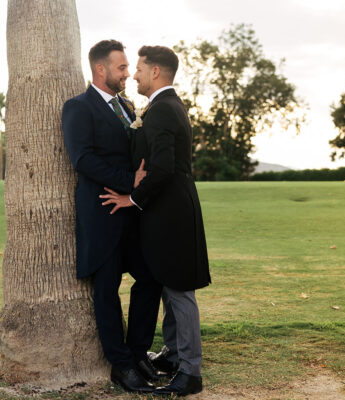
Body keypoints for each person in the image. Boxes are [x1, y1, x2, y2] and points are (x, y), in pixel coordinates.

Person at [100, 45, 211, 396]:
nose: (134, 75)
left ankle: (190, 372)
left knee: (179, 288)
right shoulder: (166, 106)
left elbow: (162, 168)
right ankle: (174, 354)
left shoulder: (162, 109)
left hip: (170, 213)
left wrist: (131, 198)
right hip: (169, 209)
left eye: (139, 69)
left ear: (156, 72)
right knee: (167, 281)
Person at [62, 40, 163, 394]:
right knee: (106, 290)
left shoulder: (128, 106)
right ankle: (121, 366)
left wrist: (137, 191)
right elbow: (82, 159)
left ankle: (137, 353)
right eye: (121, 68)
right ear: (100, 69)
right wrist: (127, 181)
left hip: (132, 214)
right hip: (102, 212)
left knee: (150, 277)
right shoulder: (78, 108)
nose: (127, 74)